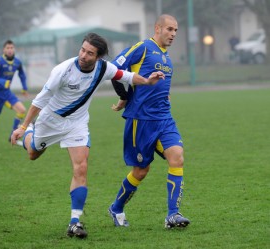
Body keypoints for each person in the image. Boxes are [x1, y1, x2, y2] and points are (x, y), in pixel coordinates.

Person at [10, 33, 165, 238]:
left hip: (77, 124)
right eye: (82, 50)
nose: (83, 55)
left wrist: (146, 80)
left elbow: (126, 76)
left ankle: (75, 222)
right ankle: (29, 135)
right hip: (50, 121)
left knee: (81, 168)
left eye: (90, 53)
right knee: (33, 153)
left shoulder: (103, 68)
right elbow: (40, 100)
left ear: (98, 57)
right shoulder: (63, 70)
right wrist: (23, 126)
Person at [108, 14, 190, 229]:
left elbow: (164, 89)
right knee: (141, 171)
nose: (173, 34)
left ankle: (173, 215)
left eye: (175, 31)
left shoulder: (167, 58)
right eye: (169, 29)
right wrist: (124, 98)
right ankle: (116, 208)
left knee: (177, 158)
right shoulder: (143, 47)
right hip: (141, 120)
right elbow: (114, 70)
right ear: (157, 28)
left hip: (164, 119)